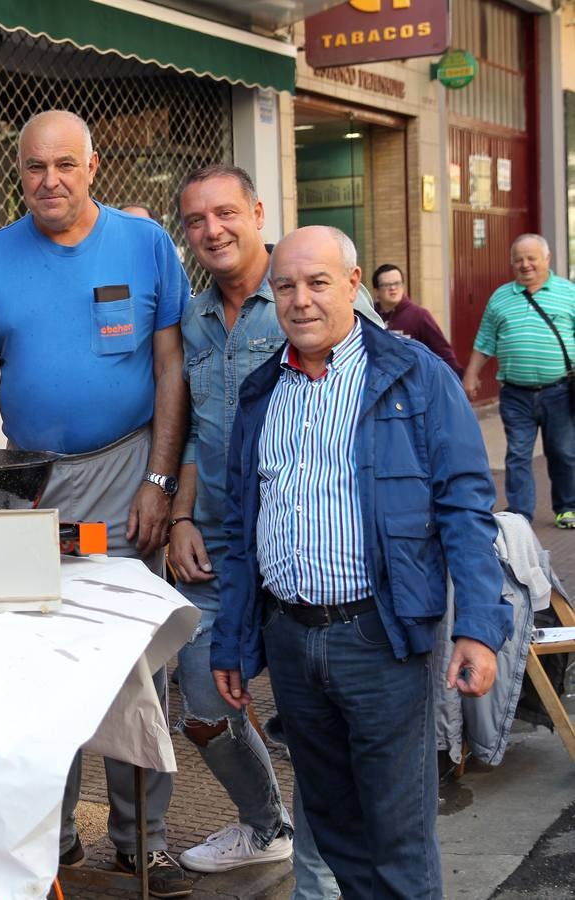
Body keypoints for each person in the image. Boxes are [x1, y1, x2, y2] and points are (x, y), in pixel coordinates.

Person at [0, 109, 192, 897]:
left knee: (135, 659)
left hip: (127, 469)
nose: (50, 181)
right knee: (39, 660)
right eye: (35, 168)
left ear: (93, 166)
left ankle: (144, 842)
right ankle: (55, 834)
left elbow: (171, 370)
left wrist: (160, 482)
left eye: (65, 165)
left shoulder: (145, 245)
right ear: (20, 174)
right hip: (32, 486)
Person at [212, 225, 512, 898]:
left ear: (353, 286)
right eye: (285, 286)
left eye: (318, 282)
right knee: (337, 826)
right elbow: (240, 525)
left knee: (396, 834)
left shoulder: (416, 378)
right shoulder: (262, 393)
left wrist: (478, 628)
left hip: (382, 639)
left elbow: (465, 507)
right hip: (289, 640)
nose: (301, 300)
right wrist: (232, 641)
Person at [168, 165, 295, 876]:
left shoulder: (305, 292)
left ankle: (342, 862)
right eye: (195, 220)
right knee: (202, 701)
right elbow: (192, 427)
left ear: (256, 211)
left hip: (301, 543)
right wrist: (182, 513)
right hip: (215, 543)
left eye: (225, 213)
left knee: (315, 714)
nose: (212, 230)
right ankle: (266, 826)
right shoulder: (193, 314)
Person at [462, 234, 575, 528]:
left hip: (560, 391)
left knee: (563, 451)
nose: (525, 265)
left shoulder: (568, 293)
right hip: (515, 393)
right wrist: (471, 373)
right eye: (518, 259)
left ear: (546, 260)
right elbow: (485, 339)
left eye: (531, 258)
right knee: (518, 454)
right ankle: (520, 515)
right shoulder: (500, 297)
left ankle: (567, 507)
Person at [371, 263, 463, 376]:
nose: (393, 288)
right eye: (386, 285)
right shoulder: (369, 317)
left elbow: (443, 353)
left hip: (413, 386)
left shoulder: (419, 316)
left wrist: (458, 381)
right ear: (376, 290)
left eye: (397, 283)